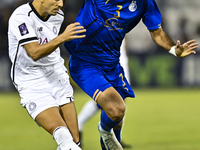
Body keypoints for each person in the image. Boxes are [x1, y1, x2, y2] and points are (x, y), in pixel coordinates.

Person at [64, 0, 198, 150]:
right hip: (85, 62)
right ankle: (104, 129)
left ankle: (107, 135)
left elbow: (157, 33)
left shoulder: (144, 3)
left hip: (112, 64)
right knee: (116, 109)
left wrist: (173, 49)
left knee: (117, 119)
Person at [8, 0, 86, 149]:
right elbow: (34, 52)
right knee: (64, 137)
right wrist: (63, 37)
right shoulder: (21, 16)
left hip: (57, 76)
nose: (61, 4)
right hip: (31, 80)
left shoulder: (57, 16)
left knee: (74, 141)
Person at [78, 38, 132, 149]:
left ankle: (115, 139)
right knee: (106, 101)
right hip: (109, 62)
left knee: (120, 102)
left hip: (121, 61)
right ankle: (79, 124)